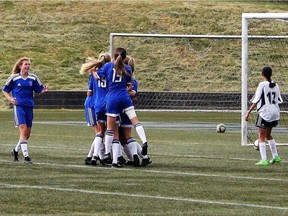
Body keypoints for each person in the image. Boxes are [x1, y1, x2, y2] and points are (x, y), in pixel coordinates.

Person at [96, 47, 149, 168]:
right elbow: (129, 86)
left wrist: (94, 70)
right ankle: (145, 142)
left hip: (112, 98)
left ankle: (108, 154)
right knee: (136, 122)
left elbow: (98, 76)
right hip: (125, 98)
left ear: (114, 56)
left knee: (110, 129)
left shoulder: (108, 66)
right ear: (124, 58)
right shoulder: (128, 68)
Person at [2, 57, 48, 163]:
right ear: (20, 66)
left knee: (27, 134)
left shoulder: (33, 78)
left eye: (28, 64)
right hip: (19, 107)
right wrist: (10, 99)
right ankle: (26, 157)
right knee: (23, 129)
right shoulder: (14, 78)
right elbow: (5, 90)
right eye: (25, 64)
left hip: (29, 106)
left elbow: (38, 89)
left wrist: (43, 91)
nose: (27, 66)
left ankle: (15, 150)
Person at [245, 66, 283, 166]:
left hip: (265, 113)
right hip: (275, 112)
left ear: (262, 75)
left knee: (261, 136)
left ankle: (264, 160)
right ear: (271, 74)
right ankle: (276, 157)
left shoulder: (262, 85)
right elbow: (279, 100)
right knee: (268, 135)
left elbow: (256, 99)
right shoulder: (275, 85)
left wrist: (248, 112)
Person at [119, 56, 152, 167]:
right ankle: (139, 157)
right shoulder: (123, 78)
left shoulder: (131, 80)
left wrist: (120, 93)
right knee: (122, 137)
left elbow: (133, 92)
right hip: (122, 107)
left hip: (125, 109)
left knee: (126, 135)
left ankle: (136, 157)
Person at [80, 53, 111, 165]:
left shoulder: (94, 74)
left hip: (93, 103)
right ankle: (97, 156)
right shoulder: (110, 73)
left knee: (100, 132)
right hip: (101, 104)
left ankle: (93, 156)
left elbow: (89, 92)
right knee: (101, 132)